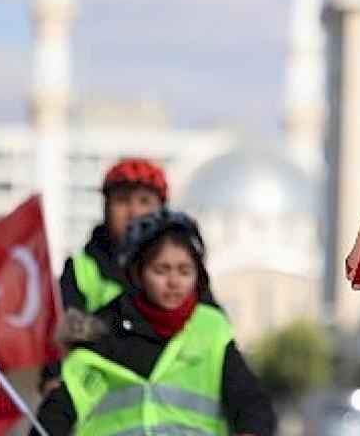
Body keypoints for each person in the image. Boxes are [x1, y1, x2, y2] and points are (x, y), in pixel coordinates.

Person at [34, 208, 275, 435]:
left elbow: (251, 402)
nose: (174, 282)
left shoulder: (211, 330)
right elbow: (59, 411)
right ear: (137, 274)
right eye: (161, 270)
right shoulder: (102, 336)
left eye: (184, 271)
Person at [41, 158, 217, 393]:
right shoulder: (82, 268)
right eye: (122, 201)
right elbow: (59, 337)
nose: (134, 212)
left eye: (145, 202)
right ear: (105, 208)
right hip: (102, 395)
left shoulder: (183, 264)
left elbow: (215, 329)